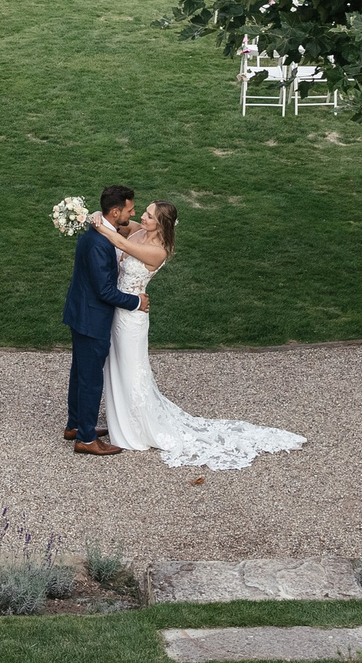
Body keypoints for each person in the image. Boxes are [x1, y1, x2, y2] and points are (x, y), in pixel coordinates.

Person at [91, 201, 305, 470]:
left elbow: (119, 243)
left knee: (132, 370)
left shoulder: (158, 251)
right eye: (144, 212)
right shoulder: (138, 230)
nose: (141, 217)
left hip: (132, 318)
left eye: (148, 215)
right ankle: (119, 420)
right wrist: (98, 215)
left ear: (161, 224)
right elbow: (116, 225)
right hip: (119, 309)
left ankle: (135, 428)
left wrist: (98, 225)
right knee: (117, 367)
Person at [61, 184, 143, 455]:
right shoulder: (99, 244)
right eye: (130, 210)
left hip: (80, 312)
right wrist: (136, 302)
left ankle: (75, 424)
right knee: (91, 379)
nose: (133, 213)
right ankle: (85, 439)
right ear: (116, 211)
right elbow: (105, 291)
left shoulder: (97, 231)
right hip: (91, 319)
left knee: (80, 373)